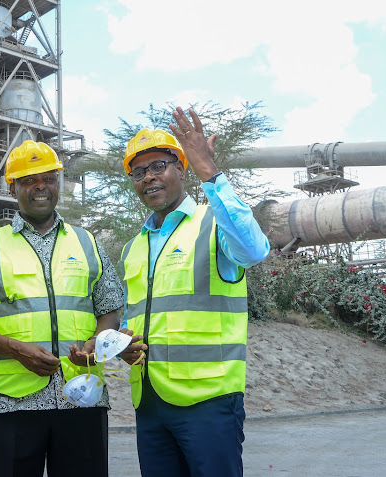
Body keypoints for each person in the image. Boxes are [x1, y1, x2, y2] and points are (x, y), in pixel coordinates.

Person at [0, 140, 125, 477]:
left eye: (48, 178)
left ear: (58, 183)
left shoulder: (87, 242)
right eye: (29, 180)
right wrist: (18, 351)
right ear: (12, 186)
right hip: (11, 403)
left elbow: (110, 309)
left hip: (82, 397)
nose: (40, 188)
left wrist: (95, 344)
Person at [118, 107, 270, 477]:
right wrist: (124, 340)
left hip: (209, 402)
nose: (149, 177)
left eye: (159, 166)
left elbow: (254, 251)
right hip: (150, 402)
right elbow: (133, 314)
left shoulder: (212, 222)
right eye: (139, 172)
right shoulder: (133, 247)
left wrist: (211, 174)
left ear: (181, 168)